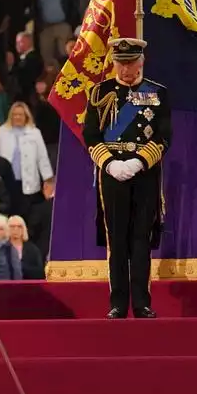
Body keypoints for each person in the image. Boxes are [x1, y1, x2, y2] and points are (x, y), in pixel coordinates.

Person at [82, 37, 172, 320]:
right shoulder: (100, 92)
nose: (125, 70)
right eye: (120, 63)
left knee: (140, 238)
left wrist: (138, 161)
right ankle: (118, 303)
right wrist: (109, 164)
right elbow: (91, 135)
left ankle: (142, 303)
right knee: (116, 239)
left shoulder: (158, 94)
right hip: (111, 173)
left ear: (141, 62)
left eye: (131, 63)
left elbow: (164, 136)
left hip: (144, 172)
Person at [0, 101, 54, 221]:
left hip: (29, 181)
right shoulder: (2, 132)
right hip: (7, 183)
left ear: (26, 116)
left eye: (21, 114)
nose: (17, 117)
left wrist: (48, 180)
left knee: (28, 215)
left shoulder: (34, 132)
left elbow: (42, 158)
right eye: (15, 114)